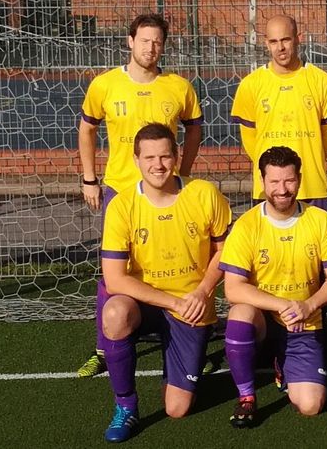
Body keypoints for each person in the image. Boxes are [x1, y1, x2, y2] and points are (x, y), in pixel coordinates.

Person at [76, 13, 203, 378]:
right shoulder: (104, 85)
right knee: (114, 273)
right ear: (130, 42)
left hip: (167, 192)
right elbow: (86, 131)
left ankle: (183, 334)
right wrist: (89, 178)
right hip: (121, 191)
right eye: (144, 40)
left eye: (158, 42)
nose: (151, 47)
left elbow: (194, 131)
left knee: (177, 262)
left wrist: (186, 172)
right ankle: (104, 346)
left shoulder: (178, 87)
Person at [97, 123, 231, 442]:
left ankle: (179, 374)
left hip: (192, 306)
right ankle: (126, 406)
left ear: (177, 156)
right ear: (136, 160)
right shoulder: (122, 206)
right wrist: (172, 301)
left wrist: (202, 291)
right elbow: (114, 278)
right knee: (115, 313)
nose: (158, 165)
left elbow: (227, 252)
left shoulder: (203, 194)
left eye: (165, 156)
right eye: (149, 158)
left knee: (177, 408)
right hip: (148, 303)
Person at [219, 146, 327, 426]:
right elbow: (233, 289)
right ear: (262, 181)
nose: (282, 189)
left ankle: (283, 364)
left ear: (299, 179)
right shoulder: (247, 225)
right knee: (240, 313)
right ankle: (247, 398)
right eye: (274, 181)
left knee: (311, 405)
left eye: (289, 180)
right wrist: (283, 305)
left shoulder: (319, 220)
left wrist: (308, 305)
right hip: (263, 320)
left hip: (304, 320)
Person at [232, 15, 327, 212]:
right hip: (270, 190)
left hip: (312, 187)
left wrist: (309, 156)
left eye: (285, 40)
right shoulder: (250, 84)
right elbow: (249, 139)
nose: (280, 47)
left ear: (299, 38)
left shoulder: (322, 81)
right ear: (266, 43)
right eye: (273, 41)